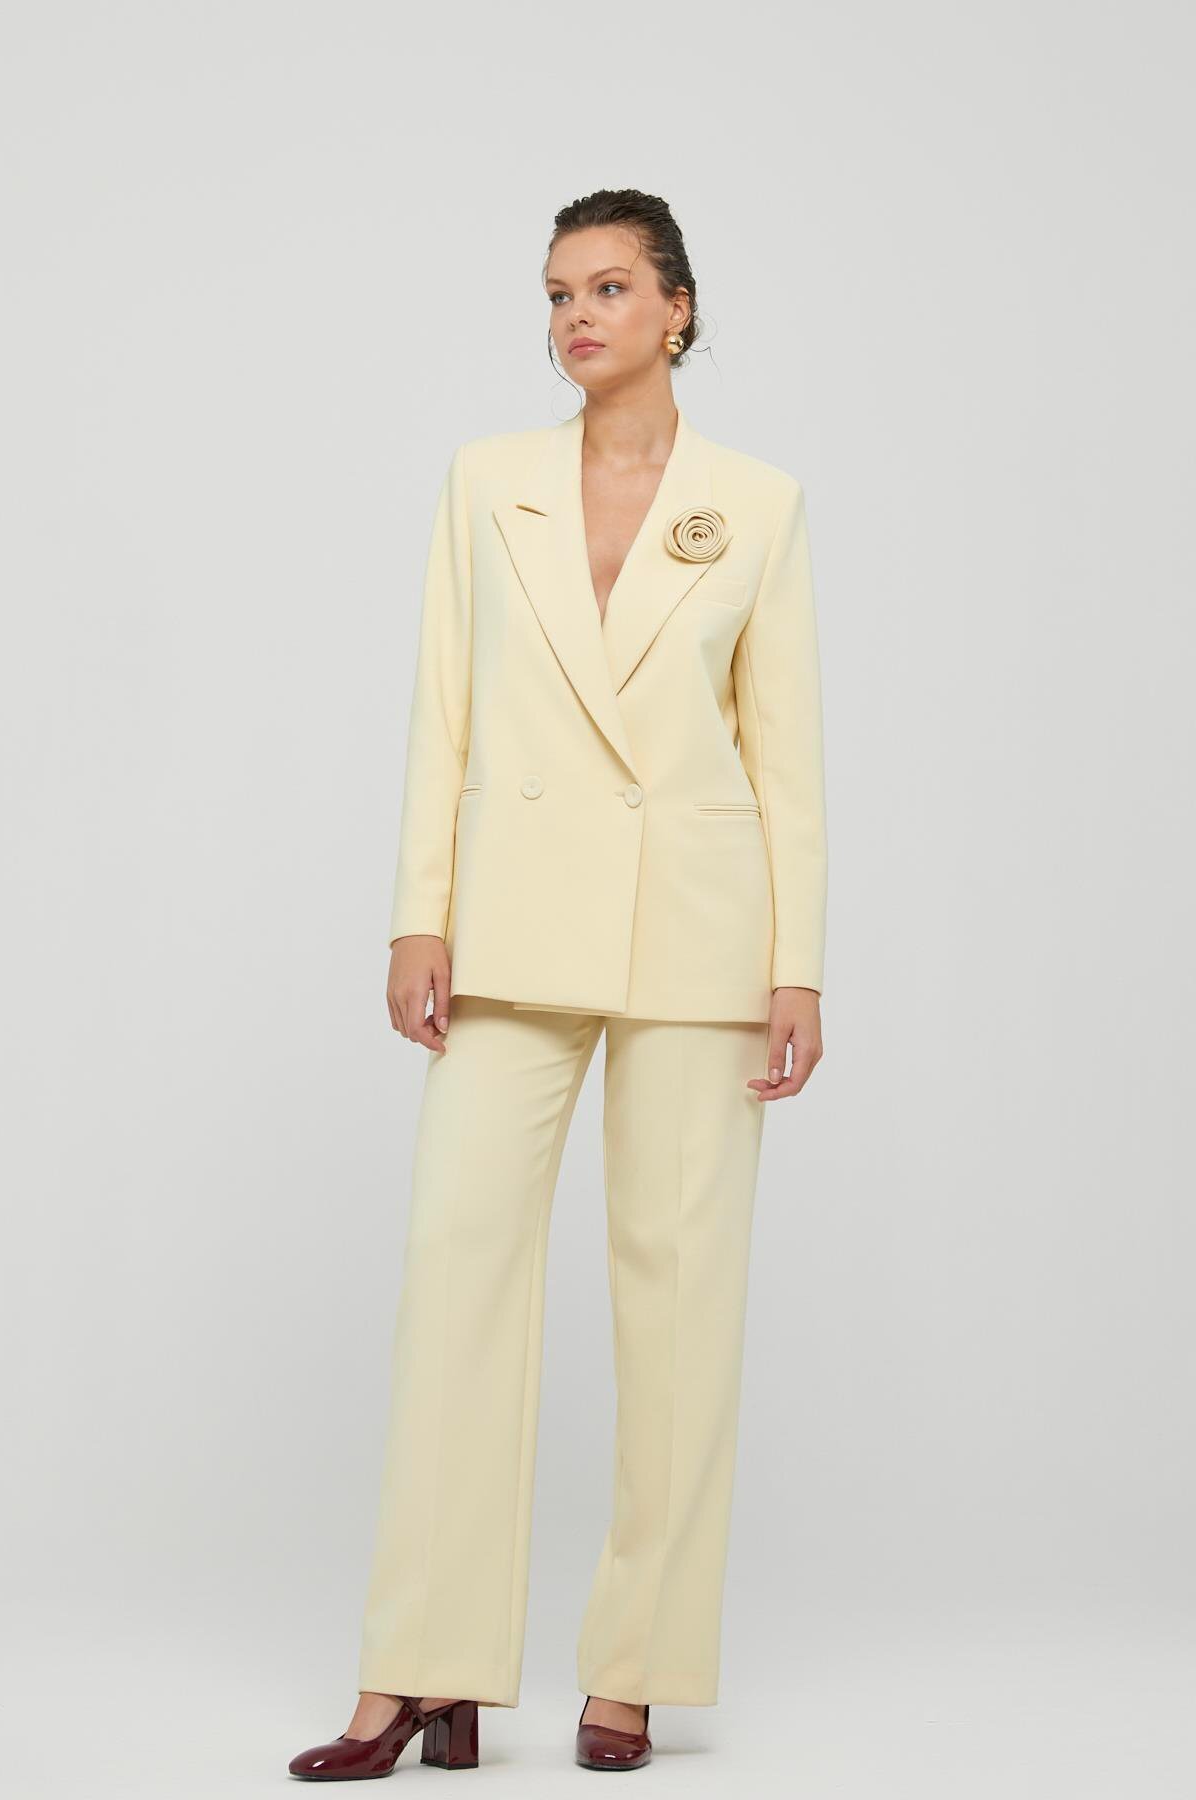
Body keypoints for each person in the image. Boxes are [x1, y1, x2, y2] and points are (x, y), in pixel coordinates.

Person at [288, 187, 828, 1780]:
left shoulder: (760, 504)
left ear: (677, 309)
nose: (574, 316)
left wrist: (798, 963)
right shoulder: (487, 483)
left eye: (607, 288)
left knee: (680, 1295)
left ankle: (635, 1671)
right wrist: (418, 915)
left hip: (699, 930)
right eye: (555, 292)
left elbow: (786, 757)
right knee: (455, 1274)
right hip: (513, 918)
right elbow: (442, 709)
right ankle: (422, 1668)